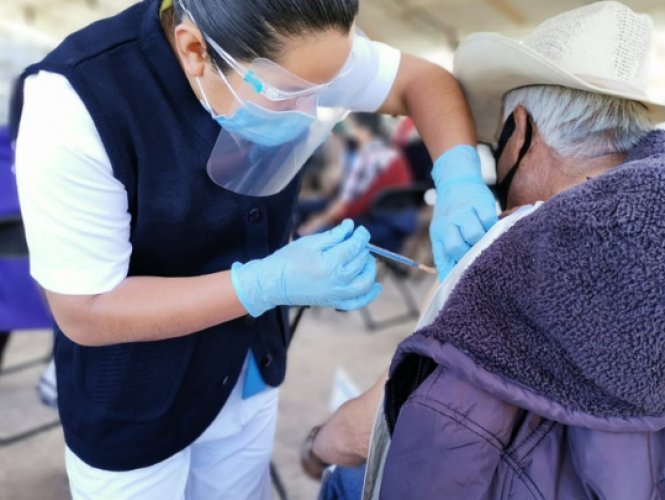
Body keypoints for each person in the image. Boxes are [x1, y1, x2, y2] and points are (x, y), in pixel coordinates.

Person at [10, 0, 498, 497]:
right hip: (135, 398)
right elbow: (85, 309)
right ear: (195, 49)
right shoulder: (74, 104)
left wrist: (458, 176)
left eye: (323, 92)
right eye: (290, 95)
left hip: (247, 369)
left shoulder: (301, 44)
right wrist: (266, 283)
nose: (310, 112)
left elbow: (424, 81)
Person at [303, 3, 665, 499]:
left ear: (520, 131)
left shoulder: (518, 272)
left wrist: (314, 448)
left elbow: (406, 424)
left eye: (497, 141)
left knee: (341, 483)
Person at [298, 113, 414, 251]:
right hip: (389, 219)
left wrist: (316, 223)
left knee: (310, 238)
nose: (348, 131)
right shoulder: (383, 151)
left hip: (380, 223)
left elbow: (346, 203)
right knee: (304, 208)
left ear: (363, 129)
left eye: (351, 126)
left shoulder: (370, 156)